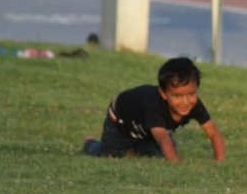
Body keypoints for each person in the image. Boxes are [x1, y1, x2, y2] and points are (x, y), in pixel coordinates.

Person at [82, 57, 226, 163]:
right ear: (164, 94)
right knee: (109, 156)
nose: (185, 101)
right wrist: (177, 165)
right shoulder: (154, 108)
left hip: (145, 129)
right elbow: (163, 140)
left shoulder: (195, 105)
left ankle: (136, 148)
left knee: (158, 154)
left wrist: (220, 161)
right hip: (121, 119)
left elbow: (213, 133)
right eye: (177, 96)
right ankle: (90, 144)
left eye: (191, 94)